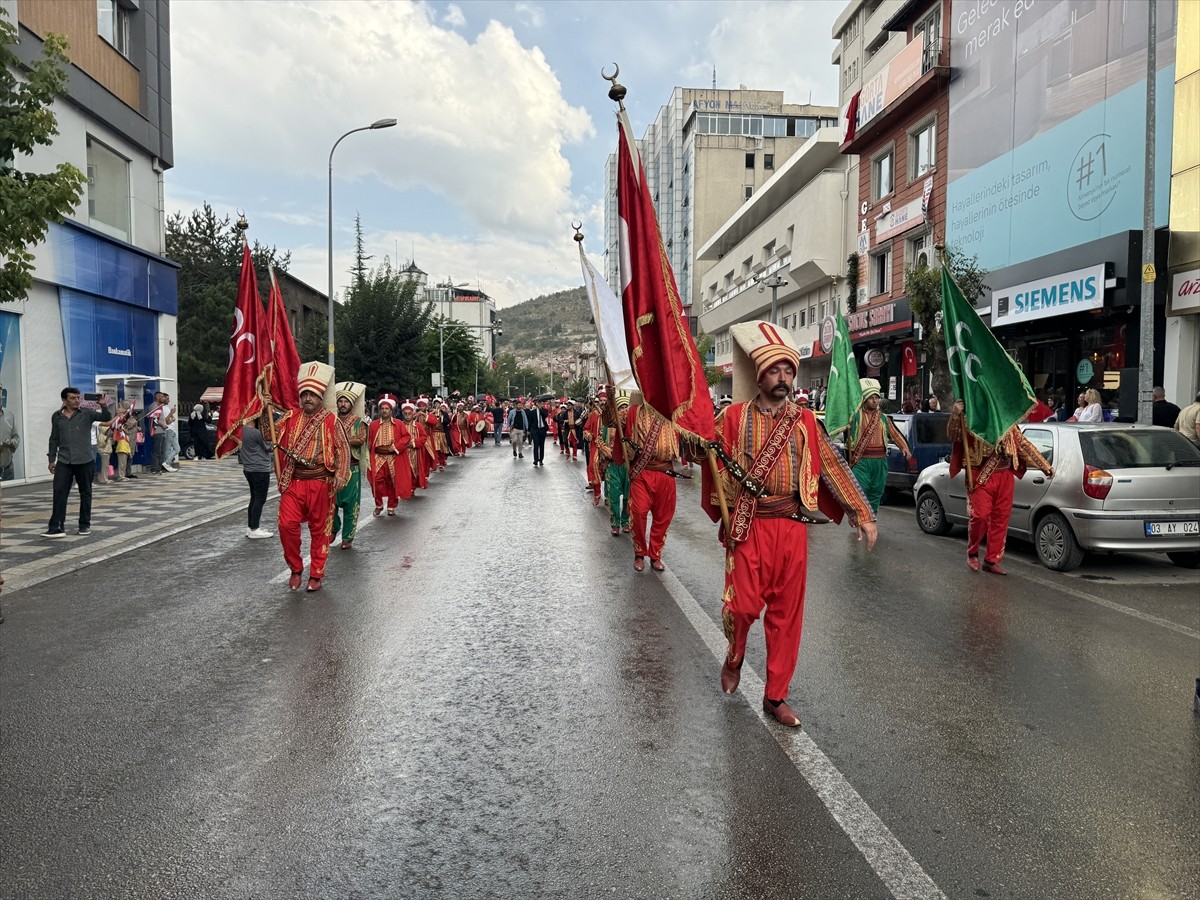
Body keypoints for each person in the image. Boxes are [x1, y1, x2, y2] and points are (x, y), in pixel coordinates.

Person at [702, 321, 877, 728]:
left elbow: (832, 467)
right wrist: (695, 440)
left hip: (792, 527)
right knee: (743, 607)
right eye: (774, 371)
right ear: (759, 375)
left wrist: (862, 513)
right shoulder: (730, 417)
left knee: (786, 615)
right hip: (748, 526)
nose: (782, 379)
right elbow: (703, 453)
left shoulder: (804, 422)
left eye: (788, 371)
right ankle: (735, 654)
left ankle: (776, 695)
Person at [948, 399, 1054, 575]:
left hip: (1005, 475)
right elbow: (954, 437)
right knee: (980, 516)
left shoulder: (1009, 424)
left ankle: (991, 560)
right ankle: (973, 551)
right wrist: (955, 414)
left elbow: (1023, 446)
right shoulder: (970, 418)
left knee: (1001, 519)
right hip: (980, 475)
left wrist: (1045, 465)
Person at [272, 361, 351, 592]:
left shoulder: (330, 420)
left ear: (320, 397)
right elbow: (270, 434)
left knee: (320, 530)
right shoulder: (289, 417)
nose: (308, 398)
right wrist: (265, 409)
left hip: (320, 482)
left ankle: (316, 574)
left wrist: (341, 473)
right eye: (304, 394)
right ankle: (295, 568)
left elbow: (343, 449)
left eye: (313, 395)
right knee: (286, 525)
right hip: (294, 481)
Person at [44, 387, 112, 538]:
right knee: (59, 493)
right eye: (73, 398)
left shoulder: (86, 413)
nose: (76, 400)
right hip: (64, 460)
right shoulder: (57, 417)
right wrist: (51, 459)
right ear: (64, 400)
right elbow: (54, 439)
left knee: (85, 493)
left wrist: (103, 404)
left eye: (77, 398)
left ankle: (84, 525)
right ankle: (56, 527)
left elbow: (106, 417)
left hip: (85, 460)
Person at [625, 393, 680, 572]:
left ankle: (656, 555)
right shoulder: (633, 411)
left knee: (663, 517)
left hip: (666, 472)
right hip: (643, 471)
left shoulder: (675, 413)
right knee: (638, 512)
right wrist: (610, 400)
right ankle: (639, 553)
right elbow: (610, 421)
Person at [846, 378, 911, 514]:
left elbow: (894, 434)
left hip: (880, 462)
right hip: (861, 462)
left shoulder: (883, 418)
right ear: (864, 399)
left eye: (876, 397)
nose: (875, 401)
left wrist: (904, 447)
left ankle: (872, 519)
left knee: (876, 494)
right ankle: (861, 520)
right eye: (871, 398)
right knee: (860, 493)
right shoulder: (855, 416)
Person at [331, 382, 368, 550]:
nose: (343, 404)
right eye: (340, 401)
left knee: (351, 504)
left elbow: (360, 439)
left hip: (351, 468)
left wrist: (340, 440)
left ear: (351, 404)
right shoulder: (332, 420)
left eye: (346, 401)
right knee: (330, 502)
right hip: (333, 468)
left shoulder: (359, 422)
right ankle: (333, 528)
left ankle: (347, 537)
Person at [368, 394, 412, 516]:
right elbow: (369, 441)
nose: (384, 410)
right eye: (382, 408)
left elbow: (407, 437)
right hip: (378, 457)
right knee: (375, 481)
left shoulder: (398, 423)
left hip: (393, 457)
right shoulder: (373, 425)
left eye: (387, 408)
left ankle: (392, 505)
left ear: (391, 410)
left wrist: (397, 446)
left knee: (393, 481)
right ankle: (379, 504)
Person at [595, 393, 631, 536]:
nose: (623, 411)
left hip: (628, 466)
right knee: (614, 497)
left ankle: (626, 521)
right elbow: (599, 440)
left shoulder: (632, 426)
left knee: (629, 497)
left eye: (625, 407)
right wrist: (608, 452)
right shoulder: (608, 425)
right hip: (612, 464)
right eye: (620, 408)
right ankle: (615, 523)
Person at [239, 421, 274, 539]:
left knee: (254, 498)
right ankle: (254, 529)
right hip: (260, 468)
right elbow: (269, 447)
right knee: (260, 499)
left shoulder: (241, 431)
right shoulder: (256, 433)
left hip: (248, 468)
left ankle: (251, 526)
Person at [146, 391, 176, 474]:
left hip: (162, 431)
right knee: (157, 450)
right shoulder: (154, 406)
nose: (164, 398)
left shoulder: (160, 407)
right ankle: (154, 468)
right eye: (162, 397)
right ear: (158, 397)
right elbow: (154, 419)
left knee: (161, 450)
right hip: (157, 431)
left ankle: (159, 467)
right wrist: (163, 424)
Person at [110, 402, 139, 480]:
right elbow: (121, 428)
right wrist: (130, 425)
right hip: (123, 442)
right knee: (123, 461)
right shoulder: (120, 417)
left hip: (129, 441)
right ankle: (122, 475)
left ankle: (126, 473)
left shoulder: (129, 415)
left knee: (126, 460)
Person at [583, 396, 603, 506]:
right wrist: (589, 435)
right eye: (601, 401)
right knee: (593, 468)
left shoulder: (613, 415)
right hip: (596, 445)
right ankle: (597, 493)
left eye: (605, 401)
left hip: (611, 447)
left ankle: (610, 495)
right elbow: (586, 429)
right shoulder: (593, 415)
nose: (603, 403)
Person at [0, 388, 19, 481]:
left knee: (10, 495)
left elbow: (16, 437)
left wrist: (10, 442)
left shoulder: (9, 415)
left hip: (8, 469)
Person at [529, 400, 549, 466]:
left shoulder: (544, 410)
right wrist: (530, 430)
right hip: (535, 430)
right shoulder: (532, 412)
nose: (540, 404)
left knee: (541, 445)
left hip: (542, 429)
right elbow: (530, 422)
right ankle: (535, 460)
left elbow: (546, 415)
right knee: (536, 445)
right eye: (539, 403)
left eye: (541, 403)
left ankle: (541, 460)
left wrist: (541, 409)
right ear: (536, 404)